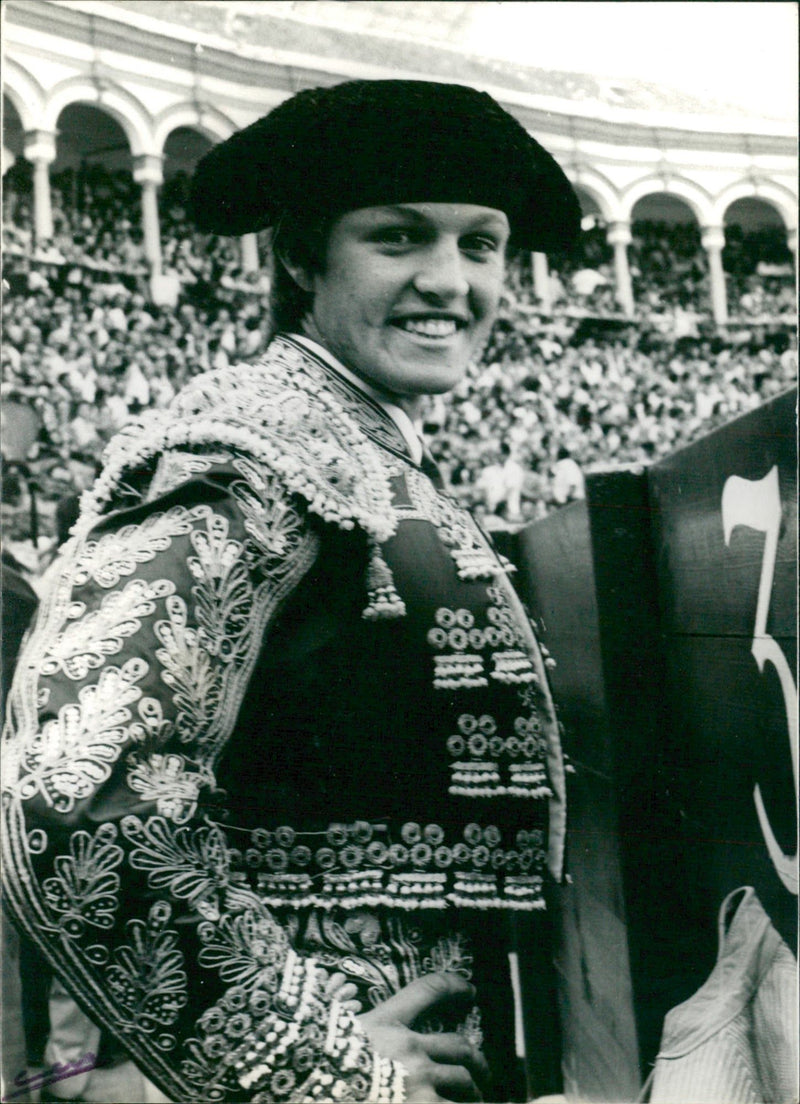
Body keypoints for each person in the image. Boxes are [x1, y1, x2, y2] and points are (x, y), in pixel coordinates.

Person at [1, 80, 580, 1103]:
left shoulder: (358, 447)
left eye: (480, 245)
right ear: (301, 258)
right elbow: (74, 795)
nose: (449, 281)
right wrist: (303, 1066)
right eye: (398, 239)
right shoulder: (253, 450)